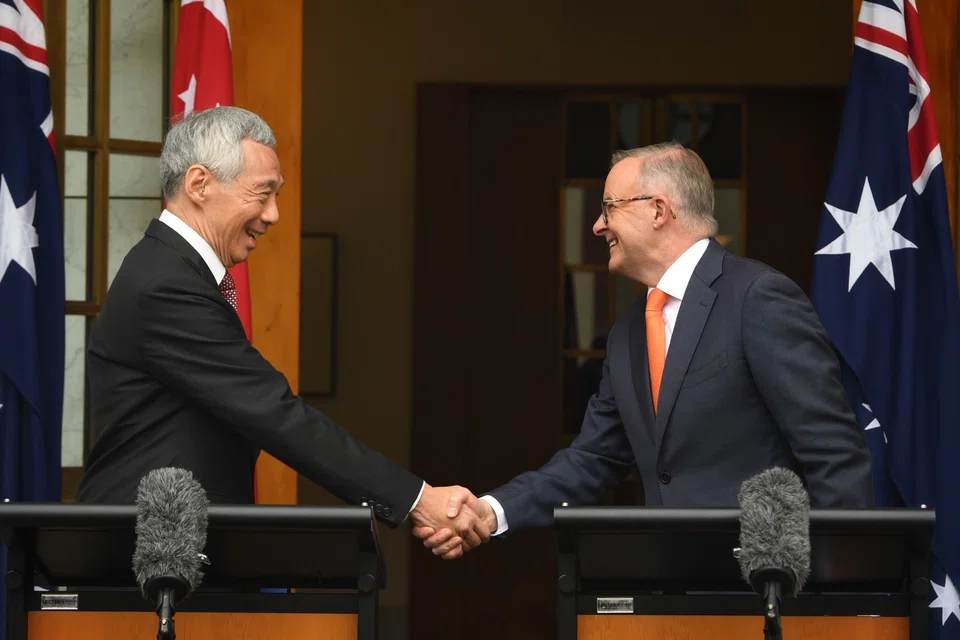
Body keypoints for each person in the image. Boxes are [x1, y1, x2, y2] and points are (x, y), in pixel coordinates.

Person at [415, 141, 874, 559]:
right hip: (670, 589)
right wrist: (489, 511)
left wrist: (837, 588)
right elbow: (595, 458)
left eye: (609, 207)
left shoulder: (757, 297)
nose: (598, 226)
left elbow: (832, 453)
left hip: (768, 589)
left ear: (658, 210)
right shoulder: (630, 331)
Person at [76, 106, 488, 553]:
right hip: (145, 560)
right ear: (199, 184)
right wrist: (418, 499)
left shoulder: (172, 269)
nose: (272, 215)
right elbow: (274, 412)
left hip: (173, 549)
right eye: (262, 193)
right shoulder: (166, 284)